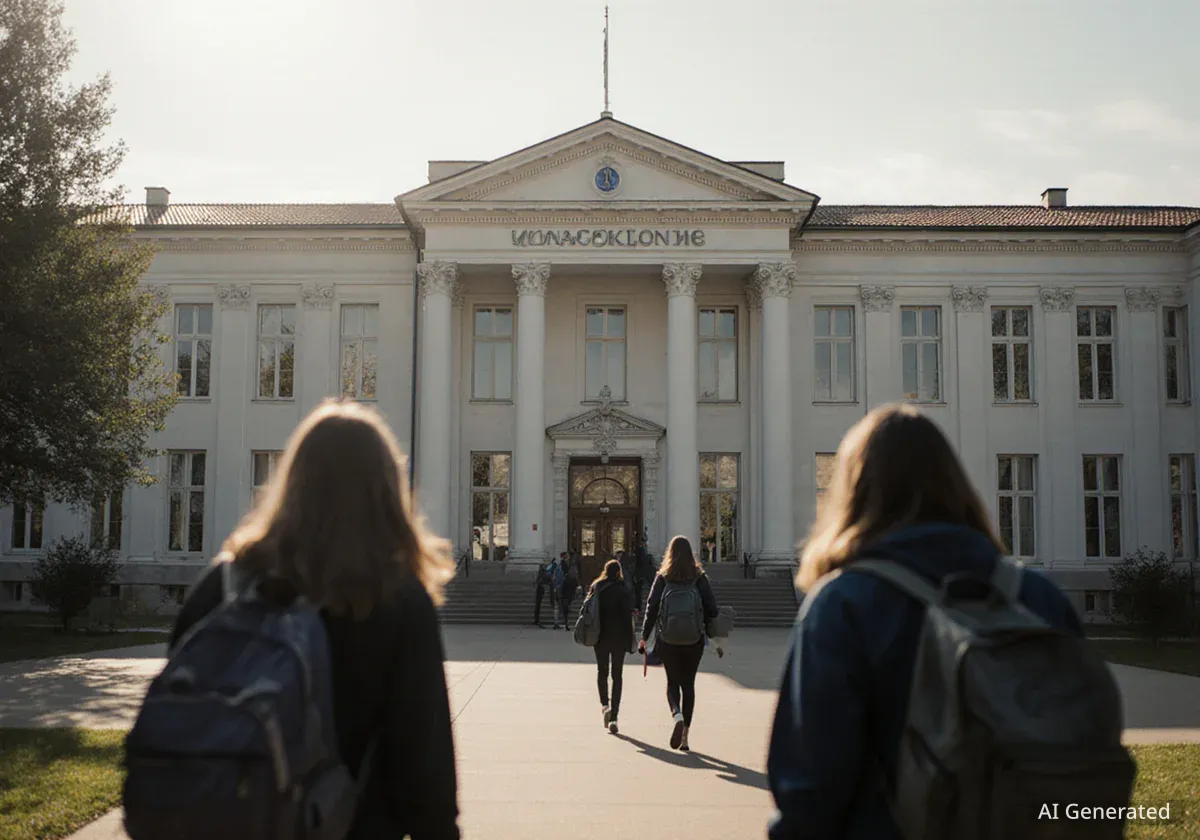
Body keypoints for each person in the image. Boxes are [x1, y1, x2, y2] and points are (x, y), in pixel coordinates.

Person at [765, 404, 1082, 840]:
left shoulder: (843, 606)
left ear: (855, 493)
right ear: (956, 486)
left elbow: (809, 792)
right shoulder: (1040, 598)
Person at [165, 400, 460, 839]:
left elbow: (175, 716)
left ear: (292, 481)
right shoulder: (394, 597)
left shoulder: (226, 583)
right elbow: (424, 767)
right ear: (385, 488)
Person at [638, 535, 718, 752]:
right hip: (694, 638)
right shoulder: (699, 577)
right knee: (688, 684)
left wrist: (644, 637)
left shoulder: (663, 577)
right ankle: (685, 738)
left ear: (670, 554)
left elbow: (651, 608)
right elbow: (713, 608)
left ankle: (677, 716)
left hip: (668, 638)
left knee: (672, 682)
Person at [587, 559, 635, 735]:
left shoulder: (597, 587)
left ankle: (604, 705)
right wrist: (631, 640)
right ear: (618, 572)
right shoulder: (623, 590)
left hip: (600, 636)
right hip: (618, 639)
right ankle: (614, 717)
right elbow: (626, 616)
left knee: (602, 672)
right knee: (617, 676)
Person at [560, 551, 579, 630]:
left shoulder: (573, 564)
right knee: (565, 604)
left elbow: (576, 574)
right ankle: (566, 622)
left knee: (568, 602)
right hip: (565, 587)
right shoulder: (562, 564)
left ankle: (566, 621)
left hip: (570, 586)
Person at [533, 559, 553, 628]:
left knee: (537, 605)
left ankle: (536, 619)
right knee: (538, 605)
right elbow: (546, 578)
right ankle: (537, 620)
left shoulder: (541, 572)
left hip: (540, 588)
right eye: (545, 566)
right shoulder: (543, 573)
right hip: (541, 588)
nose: (546, 566)